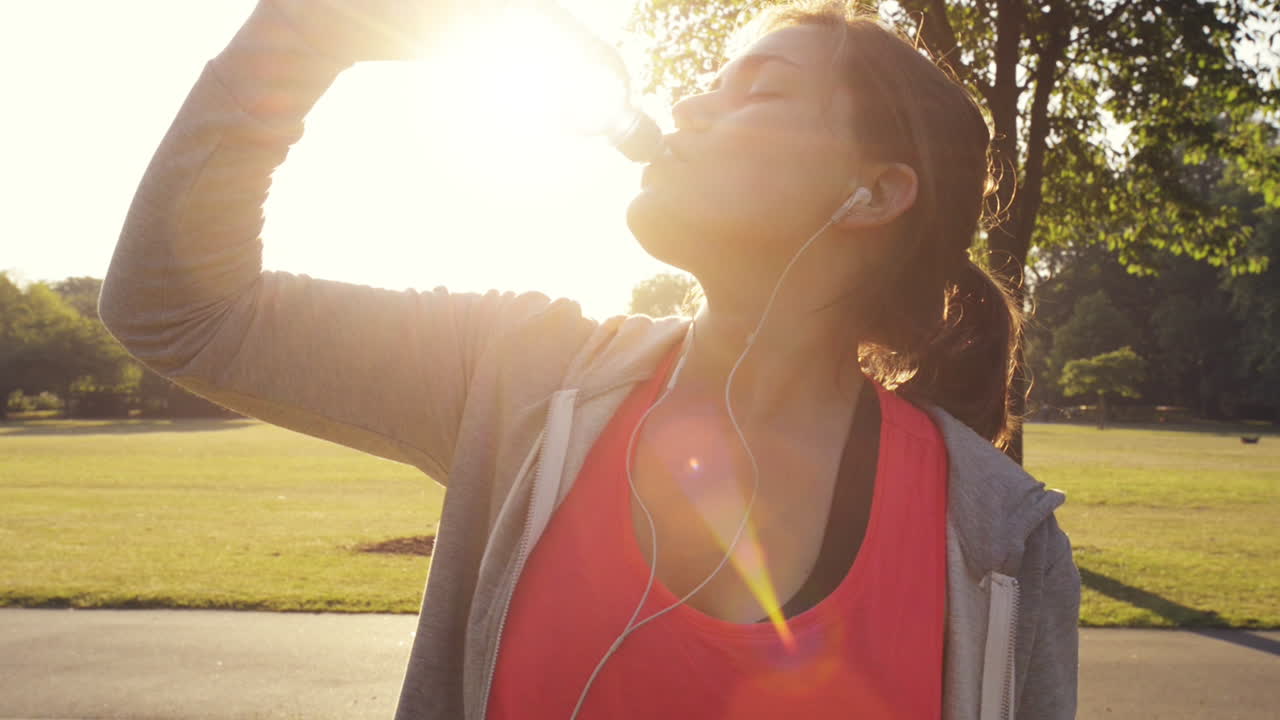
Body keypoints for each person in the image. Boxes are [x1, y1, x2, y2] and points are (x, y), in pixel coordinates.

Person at [100, 0, 1080, 718]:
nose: (689, 107)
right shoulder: (519, 376)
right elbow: (178, 306)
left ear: (873, 194)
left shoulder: (998, 546)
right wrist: (305, 30)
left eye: (759, 91)